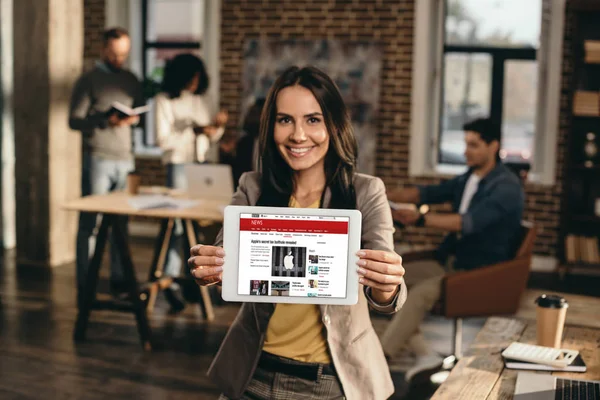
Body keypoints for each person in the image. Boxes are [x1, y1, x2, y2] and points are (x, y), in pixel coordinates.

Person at [188, 66, 407, 400]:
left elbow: (385, 295)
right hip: (253, 372)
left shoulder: (366, 191)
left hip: (333, 381)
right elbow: (224, 268)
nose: (298, 136)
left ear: (334, 124)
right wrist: (209, 270)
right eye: (285, 120)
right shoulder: (252, 186)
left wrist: (387, 285)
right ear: (270, 125)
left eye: (313, 120)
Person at [382, 118, 525, 382]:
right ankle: (426, 354)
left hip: (480, 270)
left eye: (474, 145)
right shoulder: (469, 178)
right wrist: (378, 192)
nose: (466, 151)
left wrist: (421, 218)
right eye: (465, 144)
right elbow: (426, 193)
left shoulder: (506, 187)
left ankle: (380, 360)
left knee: (417, 295)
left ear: (494, 146)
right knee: (388, 279)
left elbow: (467, 222)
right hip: (452, 259)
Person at [69, 27, 145, 303]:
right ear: (103, 49)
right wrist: (104, 120)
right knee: (91, 223)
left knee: (120, 226)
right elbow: (74, 120)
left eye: (123, 54)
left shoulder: (130, 80)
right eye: (114, 54)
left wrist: (134, 119)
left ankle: (118, 280)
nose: (118, 59)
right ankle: (85, 282)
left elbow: (141, 112)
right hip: (99, 158)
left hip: (126, 159)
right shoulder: (88, 80)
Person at [154, 53, 228, 311]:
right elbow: (162, 140)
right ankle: (172, 280)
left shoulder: (202, 100)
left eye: (199, 78)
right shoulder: (163, 101)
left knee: (201, 225)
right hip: (177, 165)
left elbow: (212, 137)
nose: (196, 83)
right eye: (191, 78)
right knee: (176, 226)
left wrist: (216, 128)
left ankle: (194, 280)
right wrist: (191, 130)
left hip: (201, 164)